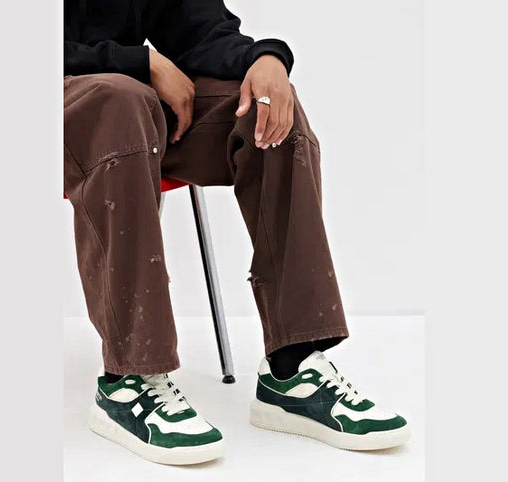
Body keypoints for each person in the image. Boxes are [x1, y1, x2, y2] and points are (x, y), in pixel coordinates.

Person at [64, 0, 410, 465]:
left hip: (129, 101)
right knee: (120, 100)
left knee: (267, 110)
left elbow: (199, 29)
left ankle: (292, 369)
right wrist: (142, 62)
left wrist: (265, 58)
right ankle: (128, 382)